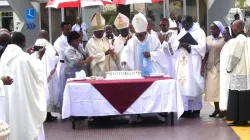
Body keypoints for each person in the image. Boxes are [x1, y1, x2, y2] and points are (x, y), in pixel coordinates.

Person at [1, 32, 46, 140]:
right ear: (23, 42)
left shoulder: (3, 58)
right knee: (26, 120)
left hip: (9, 100)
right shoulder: (25, 58)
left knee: (11, 123)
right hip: (24, 100)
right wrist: (39, 56)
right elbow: (38, 74)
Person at [175, 15, 206, 118]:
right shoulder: (183, 31)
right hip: (183, 63)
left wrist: (189, 46)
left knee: (194, 85)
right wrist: (179, 45)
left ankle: (196, 109)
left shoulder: (199, 32)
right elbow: (176, 43)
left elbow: (203, 47)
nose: (183, 27)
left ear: (190, 21)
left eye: (185, 24)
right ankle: (186, 109)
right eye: (182, 25)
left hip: (193, 62)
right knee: (184, 85)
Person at [226, 20, 250, 126]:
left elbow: (234, 57)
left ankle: (238, 120)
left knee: (236, 97)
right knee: (244, 98)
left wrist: (229, 68)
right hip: (245, 71)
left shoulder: (238, 40)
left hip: (238, 71)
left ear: (237, 27)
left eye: (233, 26)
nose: (232, 28)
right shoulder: (246, 39)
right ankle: (243, 119)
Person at [34, 30, 60, 122]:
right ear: (46, 36)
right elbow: (54, 57)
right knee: (48, 92)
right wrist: (57, 56)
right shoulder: (48, 45)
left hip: (38, 73)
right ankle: (48, 115)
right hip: (48, 73)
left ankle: (43, 115)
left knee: (41, 93)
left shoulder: (35, 44)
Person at [204, 21, 225, 117]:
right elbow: (206, 53)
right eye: (210, 28)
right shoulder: (208, 39)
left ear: (219, 29)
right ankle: (216, 109)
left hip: (220, 67)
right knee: (212, 90)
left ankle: (222, 109)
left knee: (220, 89)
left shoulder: (224, 38)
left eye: (213, 28)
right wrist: (202, 66)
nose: (211, 30)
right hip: (210, 67)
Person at [54, 22, 71, 110]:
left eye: (70, 29)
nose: (69, 31)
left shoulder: (72, 38)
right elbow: (64, 53)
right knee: (63, 87)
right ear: (62, 30)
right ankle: (63, 109)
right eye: (67, 29)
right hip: (63, 65)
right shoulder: (59, 41)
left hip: (72, 66)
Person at [220, 26, 234, 115]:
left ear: (230, 34)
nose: (223, 36)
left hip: (229, 72)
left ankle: (229, 110)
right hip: (224, 72)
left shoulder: (232, 43)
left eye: (225, 34)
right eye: (223, 34)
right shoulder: (227, 43)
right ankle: (225, 110)